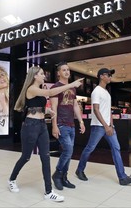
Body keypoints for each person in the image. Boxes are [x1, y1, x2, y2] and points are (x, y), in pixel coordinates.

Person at [8, 65, 83, 202]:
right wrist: (71, 84)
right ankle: (12, 179)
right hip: (30, 126)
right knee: (26, 157)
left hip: (42, 125)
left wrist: (48, 112)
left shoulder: (40, 89)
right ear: (35, 76)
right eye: (42, 74)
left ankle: (49, 191)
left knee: (46, 157)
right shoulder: (31, 89)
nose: (44, 76)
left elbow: (36, 106)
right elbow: (50, 94)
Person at [75, 68, 131, 186]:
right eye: (108, 75)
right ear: (101, 76)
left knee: (116, 148)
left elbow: (108, 111)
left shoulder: (106, 92)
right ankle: (80, 170)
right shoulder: (97, 91)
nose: (110, 77)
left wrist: (111, 125)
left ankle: (122, 177)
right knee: (90, 148)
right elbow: (96, 109)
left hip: (108, 127)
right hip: (98, 126)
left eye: (111, 75)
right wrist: (105, 126)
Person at [50, 62, 86, 190]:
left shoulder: (73, 88)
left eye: (68, 70)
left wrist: (81, 122)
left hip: (71, 124)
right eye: (64, 70)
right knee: (68, 150)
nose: (67, 72)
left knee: (68, 152)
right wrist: (54, 126)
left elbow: (75, 105)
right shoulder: (55, 87)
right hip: (61, 124)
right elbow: (53, 107)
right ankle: (57, 174)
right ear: (58, 73)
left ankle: (64, 178)